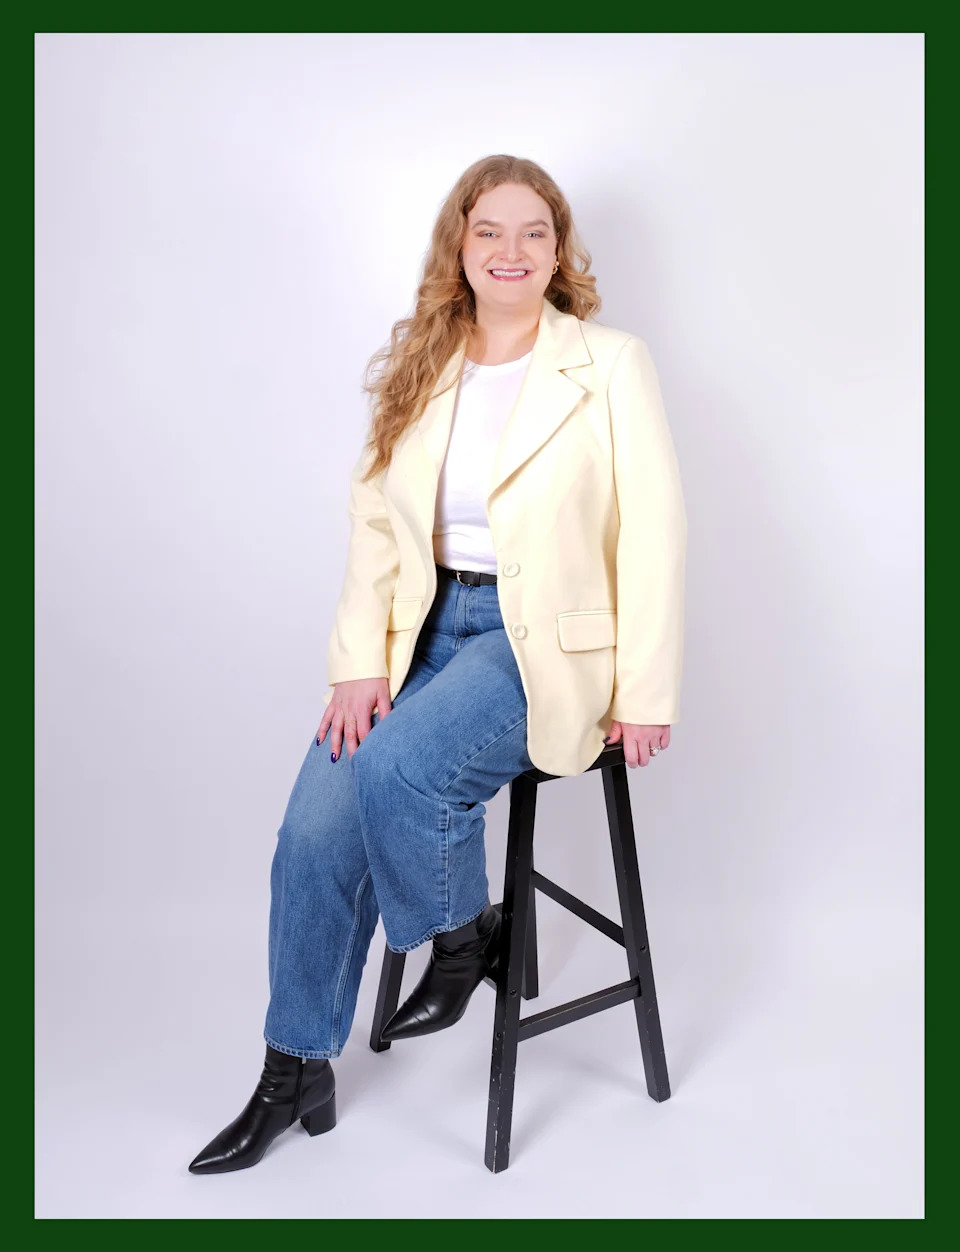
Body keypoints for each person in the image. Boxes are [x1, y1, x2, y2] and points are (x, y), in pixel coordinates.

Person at [188, 154, 687, 1174]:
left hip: (534, 644)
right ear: (458, 245)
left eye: (534, 231)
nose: (512, 250)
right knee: (311, 832)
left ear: (560, 250)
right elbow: (376, 527)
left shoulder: (609, 362)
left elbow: (655, 532)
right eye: (489, 230)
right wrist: (355, 664)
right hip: (422, 633)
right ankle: (296, 1073)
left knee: (397, 772)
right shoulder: (425, 358)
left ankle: (465, 940)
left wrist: (646, 689)